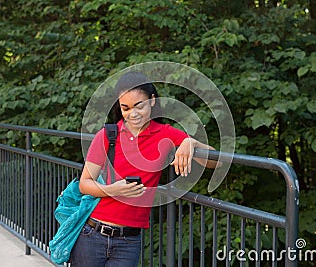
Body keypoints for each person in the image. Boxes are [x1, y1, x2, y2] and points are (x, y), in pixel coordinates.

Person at [70, 71, 218, 266]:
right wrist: (112, 190)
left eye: (139, 106)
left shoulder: (165, 134)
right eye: (125, 108)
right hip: (92, 234)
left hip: (128, 241)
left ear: (153, 101)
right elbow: (84, 184)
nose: (133, 113)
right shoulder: (107, 135)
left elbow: (216, 162)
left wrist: (191, 143)